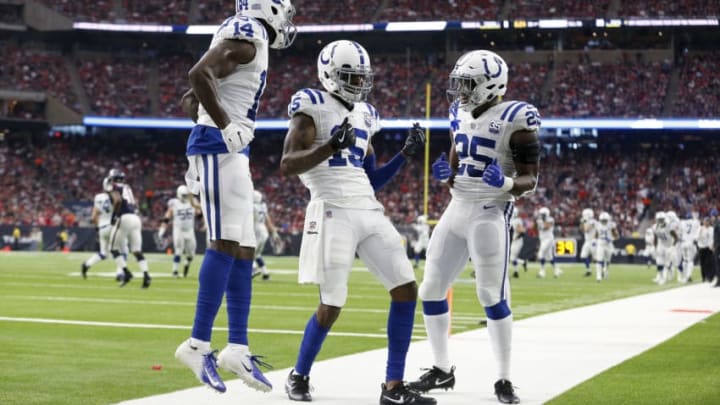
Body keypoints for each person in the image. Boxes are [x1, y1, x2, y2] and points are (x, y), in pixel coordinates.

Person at [280, 39, 434, 405]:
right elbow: (287, 164)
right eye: (351, 75)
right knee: (332, 303)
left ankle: (393, 386)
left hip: (367, 209)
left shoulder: (365, 114)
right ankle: (299, 375)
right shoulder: (312, 107)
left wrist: (404, 156)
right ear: (330, 74)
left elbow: (371, 180)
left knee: (406, 287)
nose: (359, 83)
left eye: (362, 76)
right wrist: (329, 147)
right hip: (332, 209)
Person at [173, 0, 297, 395]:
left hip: (229, 148)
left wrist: (223, 123)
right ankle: (196, 345)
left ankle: (237, 347)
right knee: (225, 244)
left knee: (245, 247)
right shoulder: (249, 35)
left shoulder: (246, 37)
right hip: (217, 147)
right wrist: (224, 126)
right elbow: (197, 76)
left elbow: (190, 97)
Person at [408, 49, 540, 404]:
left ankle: (503, 378)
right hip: (458, 205)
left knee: (490, 295)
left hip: (490, 210)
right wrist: (447, 174)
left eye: (467, 85)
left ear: (490, 85)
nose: (460, 92)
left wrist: (507, 184)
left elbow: (531, 179)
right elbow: (457, 153)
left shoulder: (517, 117)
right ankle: (441, 368)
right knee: (431, 288)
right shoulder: (457, 112)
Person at [106, 169, 152, 289]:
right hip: (135, 218)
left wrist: (114, 216)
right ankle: (146, 275)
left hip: (124, 217)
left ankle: (126, 273)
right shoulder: (128, 188)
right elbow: (133, 203)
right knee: (136, 250)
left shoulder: (114, 187)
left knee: (113, 248)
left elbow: (117, 200)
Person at [158, 185, 201, 278]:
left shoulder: (193, 202)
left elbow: (199, 215)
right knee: (178, 250)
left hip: (190, 230)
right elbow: (167, 217)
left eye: (186, 195)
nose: (185, 197)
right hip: (178, 229)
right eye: (184, 195)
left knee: (191, 254)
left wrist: (197, 208)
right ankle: (175, 271)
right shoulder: (174, 203)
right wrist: (162, 229)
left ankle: (186, 265)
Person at [81, 177, 115, 278]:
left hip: (102, 227)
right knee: (123, 249)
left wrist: (97, 227)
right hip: (113, 226)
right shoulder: (117, 196)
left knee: (103, 253)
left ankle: (87, 264)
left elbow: (94, 216)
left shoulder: (98, 197)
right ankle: (120, 273)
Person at [251, 190, 279, 280]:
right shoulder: (263, 206)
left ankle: (253, 268)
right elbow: (268, 221)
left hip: (256, 230)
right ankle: (266, 274)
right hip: (264, 231)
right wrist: (274, 232)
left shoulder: (251, 206)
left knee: (249, 252)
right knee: (257, 254)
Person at [652, 211, 678, 285]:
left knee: (666, 264)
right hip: (661, 245)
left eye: (662, 219)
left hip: (669, 246)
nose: (660, 221)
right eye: (659, 219)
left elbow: (676, 238)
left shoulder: (669, 226)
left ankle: (664, 278)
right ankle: (660, 277)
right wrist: (655, 247)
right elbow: (655, 238)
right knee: (659, 262)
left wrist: (673, 247)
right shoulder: (654, 227)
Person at [536, 206, 562, 278]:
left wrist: (544, 221)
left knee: (541, 254)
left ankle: (542, 272)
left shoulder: (550, 219)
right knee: (549, 257)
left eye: (542, 214)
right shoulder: (539, 220)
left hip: (548, 239)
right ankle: (557, 270)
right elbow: (539, 227)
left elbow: (546, 227)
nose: (540, 215)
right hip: (543, 239)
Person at [594, 211, 618, 282]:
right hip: (600, 243)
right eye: (602, 220)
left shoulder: (611, 225)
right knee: (599, 259)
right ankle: (598, 276)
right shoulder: (597, 225)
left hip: (608, 244)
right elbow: (596, 235)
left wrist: (612, 238)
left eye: (605, 220)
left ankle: (606, 270)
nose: (604, 222)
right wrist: (595, 241)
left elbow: (616, 235)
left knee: (608, 260)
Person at [678, 212, 700, 283]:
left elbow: (679, 233)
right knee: (690, 260)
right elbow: (698, 232)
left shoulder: (682, 222)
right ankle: (688, 276)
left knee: (684, 260)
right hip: (691, 243)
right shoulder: (695, 222)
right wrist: (695, 239)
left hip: (683, 243)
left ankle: (684, 276)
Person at [509, 210, 527, 278]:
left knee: (512, 258)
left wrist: (515, 238)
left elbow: (522, 232)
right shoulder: (514, 220)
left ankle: (523, 262)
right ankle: (516, 272)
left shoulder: (517, 220)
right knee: (513, 258)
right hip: (516, 241)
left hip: (517, 241)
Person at [578, 208, 596, 277]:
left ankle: (603, 270)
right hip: (587, 241)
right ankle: (589, 270)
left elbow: (587, 230)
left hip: (593, 241)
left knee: (596, 259)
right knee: (583, 256)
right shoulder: (586, 221)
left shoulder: (593, 221)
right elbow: (581, 229)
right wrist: (582, 223)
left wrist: (584, 222)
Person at [697, 216, 714, 282]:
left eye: (708, 221)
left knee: (709, 263)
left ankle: (710, 277)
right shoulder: (700, 229)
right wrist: (700, 233)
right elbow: (697, 238)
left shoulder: (711, 229)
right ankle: (704, 277)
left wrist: (712, 245)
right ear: (703, 222)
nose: (706, 222)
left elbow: (713, 238)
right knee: (702, 263)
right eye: (705, 221)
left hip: (709, 248)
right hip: (702, 248)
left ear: (709, 222)